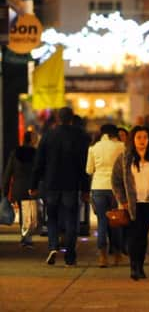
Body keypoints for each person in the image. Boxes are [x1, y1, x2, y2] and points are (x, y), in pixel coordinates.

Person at [29, 107, 90, 267]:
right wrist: (85, 189)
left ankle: (53, 246)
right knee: (71, 219)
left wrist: (33, 184)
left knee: (52, 218)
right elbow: (84, 165)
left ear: (57, 118)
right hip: (71, 184)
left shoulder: (48, 136)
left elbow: (39, 162)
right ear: (71, 118)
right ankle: (70, 256)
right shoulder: (81, 136)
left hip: (51, 184)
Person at [111, 125, 149, 281]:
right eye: (139, 137)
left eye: (145, 137)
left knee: (143, 236)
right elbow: (116, 181)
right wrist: (122, 200)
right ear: (133, 139)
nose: (142, 141)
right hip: (132, 204)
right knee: (133, 235)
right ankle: (134, 267)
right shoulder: (124, 158)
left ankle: (140, 265)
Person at [86, 124, 125, 267]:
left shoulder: (93, 148)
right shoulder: (121, 146)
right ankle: (117, 254)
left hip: (98, 187)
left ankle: (102, 256)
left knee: (102, 222)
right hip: (115, 188)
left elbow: (89, 170)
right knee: (115, 222)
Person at [2, 131, 38, 248]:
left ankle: (25, 236)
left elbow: (8, 172)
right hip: (31, 188)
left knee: (25, 212)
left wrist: (5, 190)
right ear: (32, 140)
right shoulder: (35, 153)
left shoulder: (15, 153)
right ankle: (26, 238)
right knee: (29, 213)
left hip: (18, 187)